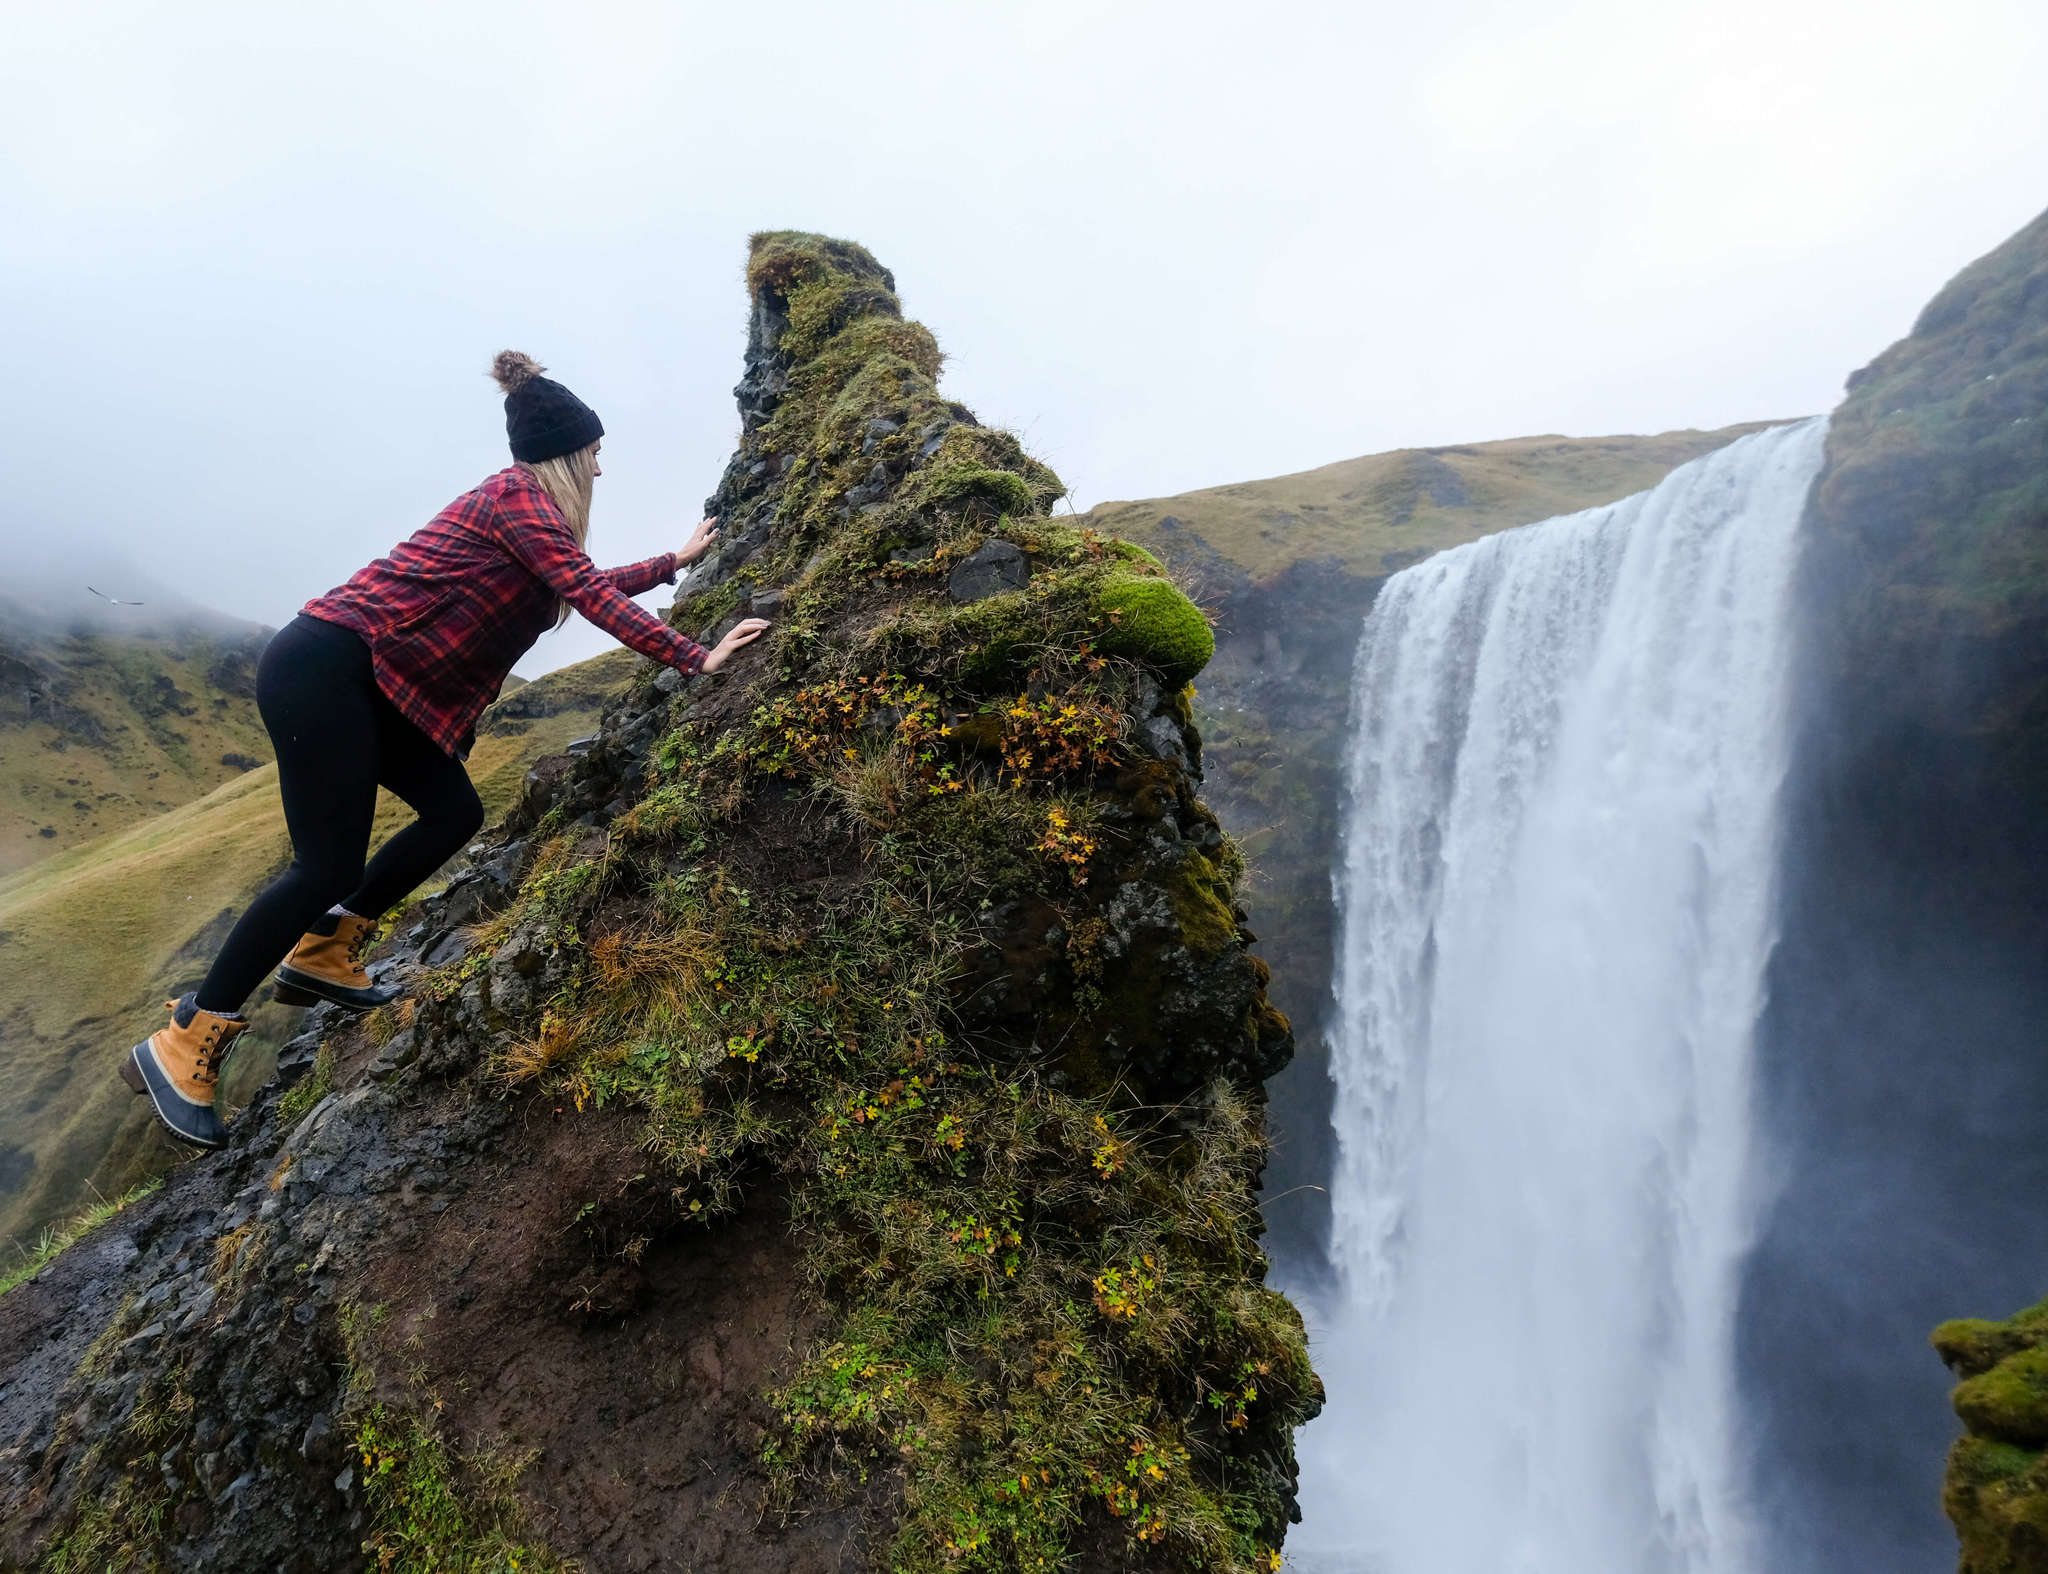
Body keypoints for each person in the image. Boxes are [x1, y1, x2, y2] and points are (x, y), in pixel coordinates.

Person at [121, 351, 770, 1150]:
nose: (603, 464)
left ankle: (327, 950)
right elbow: (586, 592)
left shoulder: (534, 517)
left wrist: (672, 564)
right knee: (322, 864)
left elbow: (573, 579)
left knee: (453, 809)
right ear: (568, 454)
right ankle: (187, 1036)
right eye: (595, 450)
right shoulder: (518, 496)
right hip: (330, 665)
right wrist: (694, 656)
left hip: (368, 679)